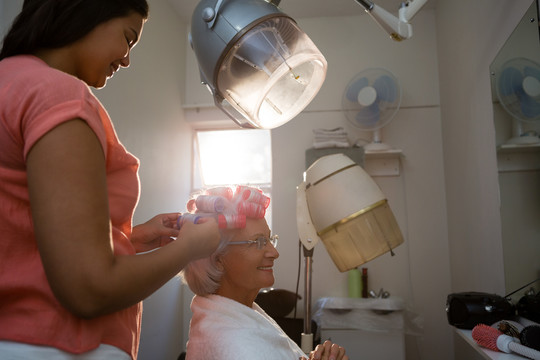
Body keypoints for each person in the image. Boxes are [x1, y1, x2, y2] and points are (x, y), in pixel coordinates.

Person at [0, 1, 220, 359]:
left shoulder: (11, 82)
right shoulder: (56, 96)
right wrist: (189, 249)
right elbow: (88, 288)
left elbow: (23, 240)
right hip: (56, 345)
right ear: (84, 11)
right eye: (128, 39)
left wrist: (127, 239)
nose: (127, 59)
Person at [180, 186, 349, 360]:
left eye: (269, 239)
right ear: (218, 259)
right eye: (258, 242)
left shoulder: (238, 316)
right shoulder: (238, 348)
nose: (274, 253)